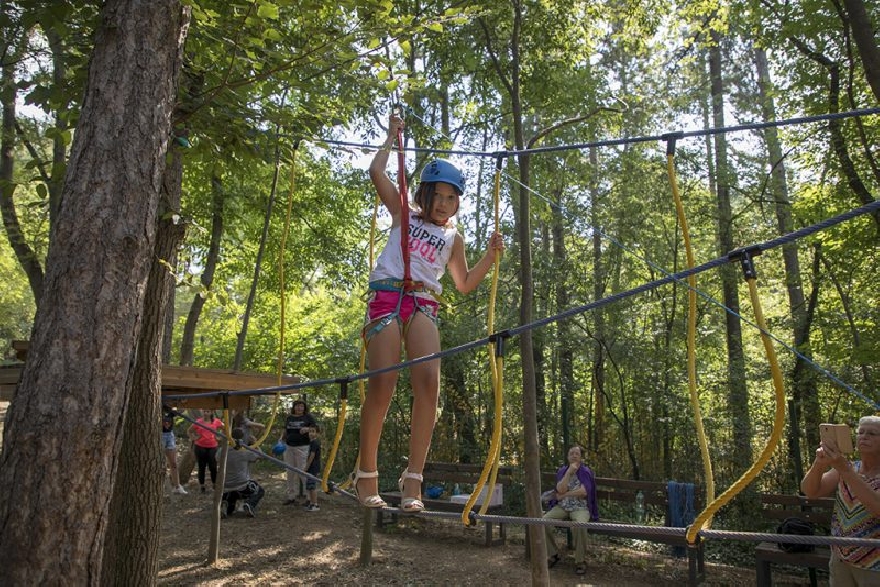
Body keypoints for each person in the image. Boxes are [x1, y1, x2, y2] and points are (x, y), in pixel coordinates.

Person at [353, 112, 504, 512]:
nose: (443, 203)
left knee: (428, 385)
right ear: (424, 195)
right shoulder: (403, 213)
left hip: (422, 301)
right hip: (387, 296)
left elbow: (465, 283)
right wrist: (390, 137)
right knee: (382, 385)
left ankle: (413, 480)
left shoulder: (453, 238)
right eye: (437, 195)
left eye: (451, 197)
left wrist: (490, 257)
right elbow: (376, 170)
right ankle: (365, 473)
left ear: (458, 201)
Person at [801, 416, 880, 584]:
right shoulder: (850, 467)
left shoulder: (846, 469)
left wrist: (844, 469)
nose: (864, 436)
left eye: (872, 433)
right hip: (840, 558)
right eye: (860, 432)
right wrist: (819, 463)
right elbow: (810, 491)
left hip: (875, 564)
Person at [543, 445, 600, 575]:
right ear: (568, 457)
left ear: (580, 458)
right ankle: (553, 555)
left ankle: (580, 561)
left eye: (577, 454)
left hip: (580, 507)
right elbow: (560, 489)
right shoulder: (562, 471)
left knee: (580, 526)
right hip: (563, 507)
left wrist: (564, 495)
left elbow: (583, 492)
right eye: (571, 454)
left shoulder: (585, 471)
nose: (574, 455)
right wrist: (569, 473)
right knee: (543, 521)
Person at [278, 399, 317, 505]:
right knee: (290, 472)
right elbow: (286, 430)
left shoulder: (308, 417)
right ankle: (291, 496)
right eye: (297, 406)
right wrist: (280, 439)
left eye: (301, 406)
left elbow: (315, 431)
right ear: (294, 407)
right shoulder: (289, 418)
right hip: (289, 447)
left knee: (302, 472)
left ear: (304, 408)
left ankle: (308, 497)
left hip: (302, 447)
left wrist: (307, 429)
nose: (299, 408)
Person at [220, 428, 265, 518]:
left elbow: (216, 457)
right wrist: (255, 443)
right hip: (242, 485)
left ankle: (226, 505)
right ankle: (249, 504)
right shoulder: (244, 452)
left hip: (227, 485)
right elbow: (261, 455)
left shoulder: (223, 450)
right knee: (259, 490)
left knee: (231, 500)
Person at [188, 409, 224, 494]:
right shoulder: (198, 421)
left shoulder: (216, 421)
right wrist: (194, 438)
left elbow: (225, 428)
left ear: (211, 412)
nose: (205, 413)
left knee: (213, 466)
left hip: (212, 446)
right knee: (201, 466)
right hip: (200, 446)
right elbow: (189, 431)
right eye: (204, 411)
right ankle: (202, 486)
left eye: (207, 411)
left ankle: (214, 484)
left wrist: (219, 438)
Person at [161, 405, 187, 494]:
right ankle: (161, 488)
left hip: (169, 435)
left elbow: (182, 409)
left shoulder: (170, 410)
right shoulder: (157, 408)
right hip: (160, 435)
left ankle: (177, 486)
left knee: (174, 463)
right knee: (160, 463)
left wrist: (178, 403)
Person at [303, 425, 322, 511]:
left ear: (317, 433)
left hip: (313, 468)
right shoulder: (311, 442)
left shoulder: (314, 443)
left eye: (313, 431)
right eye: (310, 431)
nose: (311, 433)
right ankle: (311, 503)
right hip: (311, 468)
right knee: (310, 486)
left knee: (312, 486)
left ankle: (315, 504)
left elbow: (312, 455)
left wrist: (307, 466)